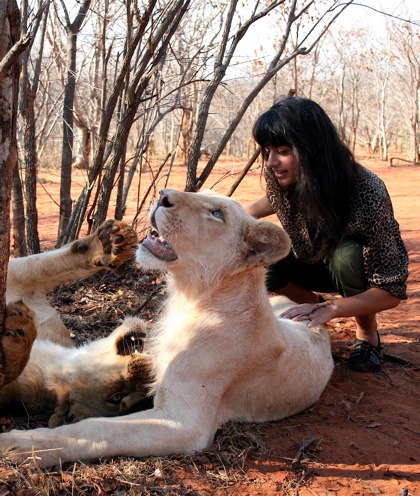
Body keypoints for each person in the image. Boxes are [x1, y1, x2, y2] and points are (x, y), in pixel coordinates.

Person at [246, 96, 409, 373]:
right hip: (308, 258)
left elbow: (390, 291)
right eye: (268, 150)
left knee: (345, 255)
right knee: (257, 250)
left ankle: (367, 335)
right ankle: (313, 306)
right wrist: (229, 219)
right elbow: (271, 201)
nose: (271, 162)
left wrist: (336, 308)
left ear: (313, 151)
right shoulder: (283, 174)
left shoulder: (367, 191)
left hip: (355, 271)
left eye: (282, 150)